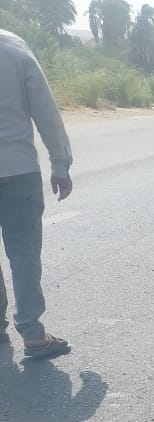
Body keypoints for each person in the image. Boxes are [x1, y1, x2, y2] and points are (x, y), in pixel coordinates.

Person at [0, 28, 73, 360]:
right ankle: (32, 333)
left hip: (19, 171)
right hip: (18, 170)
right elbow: (45, 111)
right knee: (24, 254)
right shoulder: (14, 48)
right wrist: (60, 162)